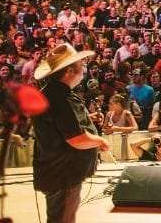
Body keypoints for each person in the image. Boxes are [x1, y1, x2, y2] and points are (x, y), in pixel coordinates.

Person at [31, 43, 109, 223]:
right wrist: (99, 141)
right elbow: (77, 139)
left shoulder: (49, 92)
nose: (83, 67)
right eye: (80, 65)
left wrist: (86, 118)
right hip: (64, 173)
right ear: (70, 71)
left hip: (55, 171)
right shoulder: (62, 98)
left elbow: (58, 124)